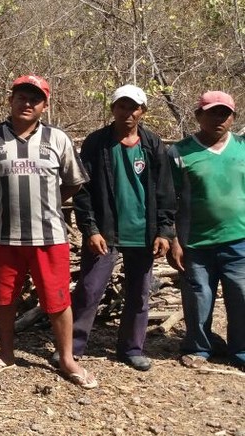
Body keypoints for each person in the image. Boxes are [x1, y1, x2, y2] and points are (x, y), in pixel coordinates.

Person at [0, 75, 96, 388]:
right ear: (10, 100)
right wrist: (9, 203)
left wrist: (45, 202)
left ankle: (67, 358)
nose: (27, 104)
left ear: (45, 105)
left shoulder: (58, 139)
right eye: (21, 97)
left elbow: (72, 182)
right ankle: (7, 353)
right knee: (3, 299)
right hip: (3, 236)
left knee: (57, 299)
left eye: (34, 99)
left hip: (49, 237)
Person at [72, 85, 175, 371]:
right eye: (121, 106)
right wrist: (90, 228)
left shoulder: (152, 144)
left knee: (139, 292)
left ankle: (131, 348)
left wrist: (165, 231)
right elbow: (83, 190)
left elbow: (165, 192)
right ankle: (73, 347)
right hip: (105, 231)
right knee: (89, 289)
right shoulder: (97, 143)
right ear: (113, 109)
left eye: (133, 107)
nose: (127, 112)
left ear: (142, 111)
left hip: (144, 232)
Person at [168, 90, 245, 371]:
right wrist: (174, 238)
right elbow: (169, 199)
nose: (218, 118)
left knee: (241, 295)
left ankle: (241, 351)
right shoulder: (179, 152)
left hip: (239, 239)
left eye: (224, 113)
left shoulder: (242, 148)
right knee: (198, 296)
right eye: (212, 112)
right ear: (199, 115)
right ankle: (198, 347)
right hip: (196, 242)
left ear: (233, 118)